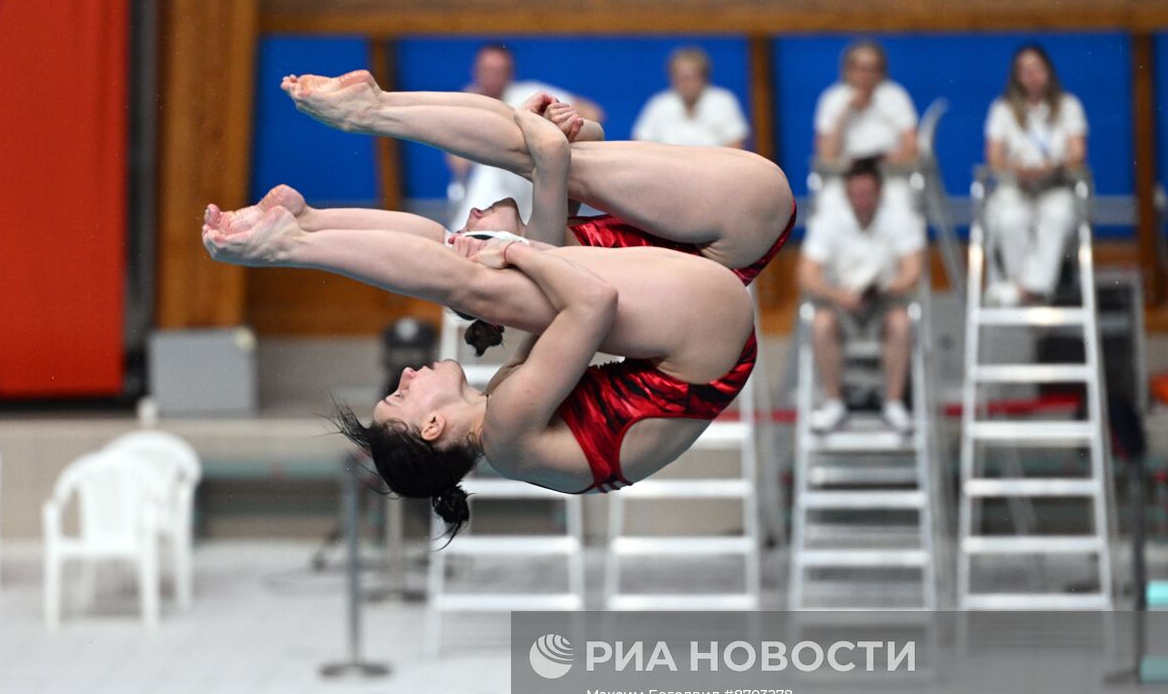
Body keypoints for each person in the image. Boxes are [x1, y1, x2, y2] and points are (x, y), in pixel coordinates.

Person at [203, 71, 794, 537]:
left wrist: (536, 214)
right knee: (480, 269)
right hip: (703, 331)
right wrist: (518, 248)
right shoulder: (508, 428)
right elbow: (591, 304)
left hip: (714, 271)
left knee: (502, 217)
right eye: (402, 395)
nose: (406, 375)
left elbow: (573, 301)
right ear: (433, 426)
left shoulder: (511, 412)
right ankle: (295, 239)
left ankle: (321, 203)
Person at [797, 158, 923, 434]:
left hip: (884, 300)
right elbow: (806, 275)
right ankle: (834, 402)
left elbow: (913, 270)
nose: (862, 201)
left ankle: (893, 403)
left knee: (901, 322)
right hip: (840, 302)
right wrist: (838, 294)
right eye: (855, 194)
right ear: (846, 194)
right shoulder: (828, 220)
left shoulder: (900, 218)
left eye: (867, 194)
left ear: (880, 193)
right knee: (820, 323)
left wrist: (890, 287)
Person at [446, 43, 603, 230]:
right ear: (476, 71)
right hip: (481, 204)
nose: (493, 77)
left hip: (527, 205)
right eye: (487, 70)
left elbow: (593, 113)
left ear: (510, 73)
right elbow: (458, 164)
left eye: (499, 71)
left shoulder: (528, 95)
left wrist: (550, 128)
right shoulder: (468, 104)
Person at [982, 44, 1088, 305]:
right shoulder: (1002, 109)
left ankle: (1028, 290)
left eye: (1037, 69)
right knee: (1009, 219)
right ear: (1017, 76)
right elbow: (994, 157)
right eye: (1025, 70)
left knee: (1057, 214)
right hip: (1016, 187)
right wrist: (1015, 169)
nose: (1032, 76)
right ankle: (1026, 288)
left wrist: (1052, 166)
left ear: (1048, 71)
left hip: (1054, 185)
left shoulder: (1068, 106)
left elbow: (1077, 153)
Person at [813, 39, 917, 167]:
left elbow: (912, 147)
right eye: (859, 68)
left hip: (890, 175)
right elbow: (826, 155)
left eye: (872, 69)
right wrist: (846, 110)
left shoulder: (895, 96)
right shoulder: (832, 98)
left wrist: (876, 167)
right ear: (847, 69)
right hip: (842, 176)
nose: (865, 75)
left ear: (881, 71)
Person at [632, 46, 749, 149]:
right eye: (681, 78)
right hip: (667, 171)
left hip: (713, 171)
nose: (687, 84)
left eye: (691, 77)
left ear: (704, 77)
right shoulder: (659, 104)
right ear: (672, 78)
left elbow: (736, 147)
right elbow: (640, 146)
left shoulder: (723, 101)